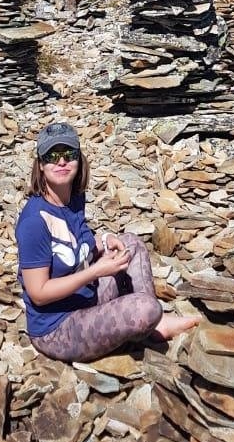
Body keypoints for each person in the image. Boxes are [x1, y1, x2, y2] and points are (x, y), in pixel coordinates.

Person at [15, 121, 199, 362]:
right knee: (146, 310)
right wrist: (96, 272)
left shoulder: (73, 197)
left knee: (130, 242)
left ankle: (159, 324)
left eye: (68, 154)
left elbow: (75, 245)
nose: (61, 162)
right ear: (40, 164)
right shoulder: (33, 222)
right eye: (52, 156)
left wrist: (104, 240)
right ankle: (150, 319)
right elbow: (38, 292)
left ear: (78, 159)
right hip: (56, 328)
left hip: (84, 298)